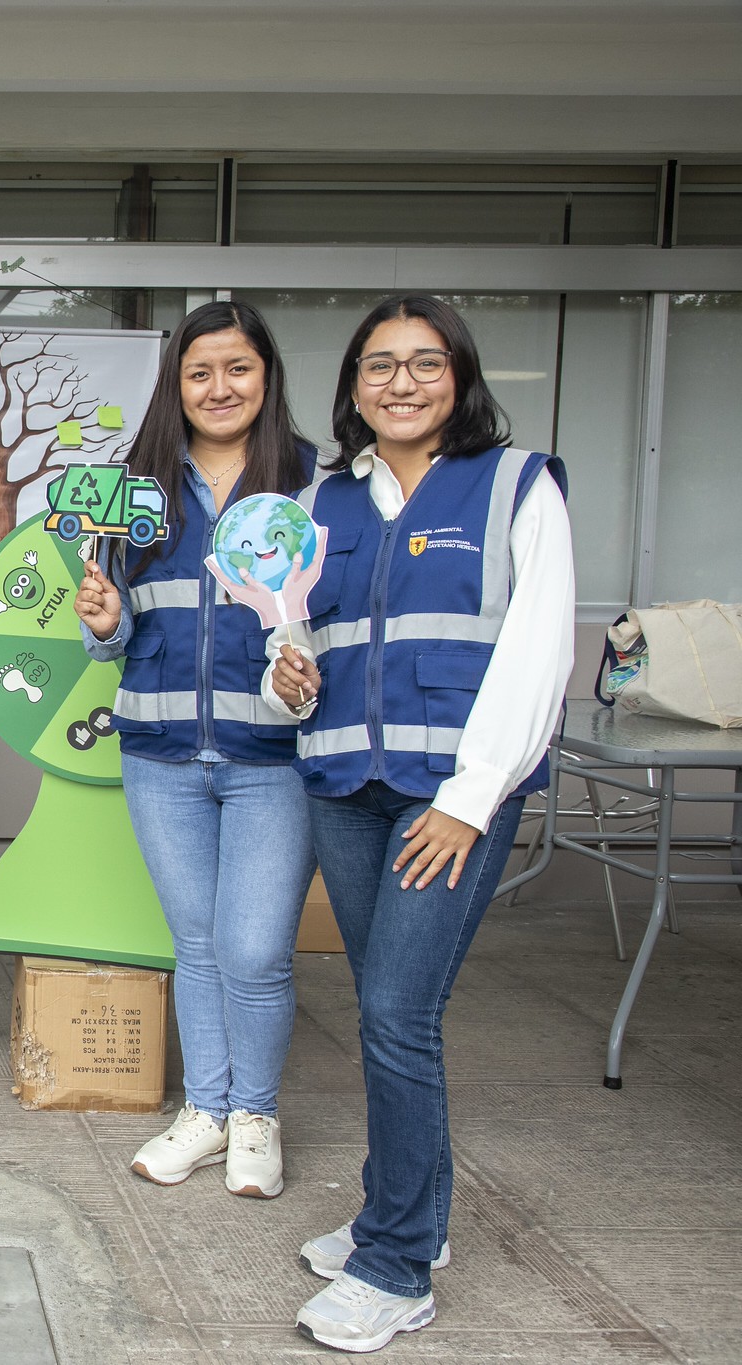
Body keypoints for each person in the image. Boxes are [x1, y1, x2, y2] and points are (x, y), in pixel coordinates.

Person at [265, 295, 573, 1353]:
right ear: (353, 386)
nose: (401, 382)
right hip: (343, 788)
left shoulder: (516, 486)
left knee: (397, 1014)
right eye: (379, 365)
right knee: (389, 1010)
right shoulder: (318, 502)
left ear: (460, 376)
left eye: (425, 362)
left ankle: (393, 1265)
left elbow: (537, 653)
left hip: (448, 800)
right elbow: (292, 651)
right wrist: (286, 682)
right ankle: (410, 1221)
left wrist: (468, 799)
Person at [74, 301, 317, 1202]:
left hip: (272, 757)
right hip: (160, 752)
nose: (220, 388)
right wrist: (107, 621)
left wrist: (309, 673)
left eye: (237, 368)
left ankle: (256, 1114)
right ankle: (208, 1111)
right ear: (175, 385)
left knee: (256, 951)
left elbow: (328, 621)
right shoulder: (134, 491)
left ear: (266, 376)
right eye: (199, 372)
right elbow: (109, 637)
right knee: (200, 944)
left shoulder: (313, 486)